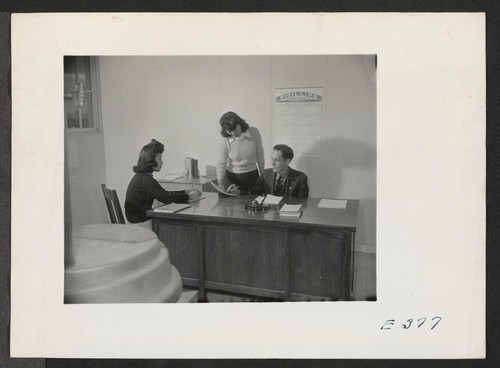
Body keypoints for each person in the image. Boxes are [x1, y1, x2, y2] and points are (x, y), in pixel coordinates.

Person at [125, 139, 201, 228]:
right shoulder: (146, 180)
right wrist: (189, 196)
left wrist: (185, 192)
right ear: (151, 160)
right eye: (159, 158)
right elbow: (166, 197)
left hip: (136, 220)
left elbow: (165, 194)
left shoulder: (141, 176)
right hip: (140, 223)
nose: (162, 162)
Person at [216, 112, 265, 194]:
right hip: (232, 177)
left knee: (252, 202)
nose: (233, 134)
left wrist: (262, 173)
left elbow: (259, 153)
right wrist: (220, 183)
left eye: (234, 130)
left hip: (252, 176)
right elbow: (221, 163)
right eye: (229, 131)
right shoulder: (224, 140)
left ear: (240, 123)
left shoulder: (254, 132)